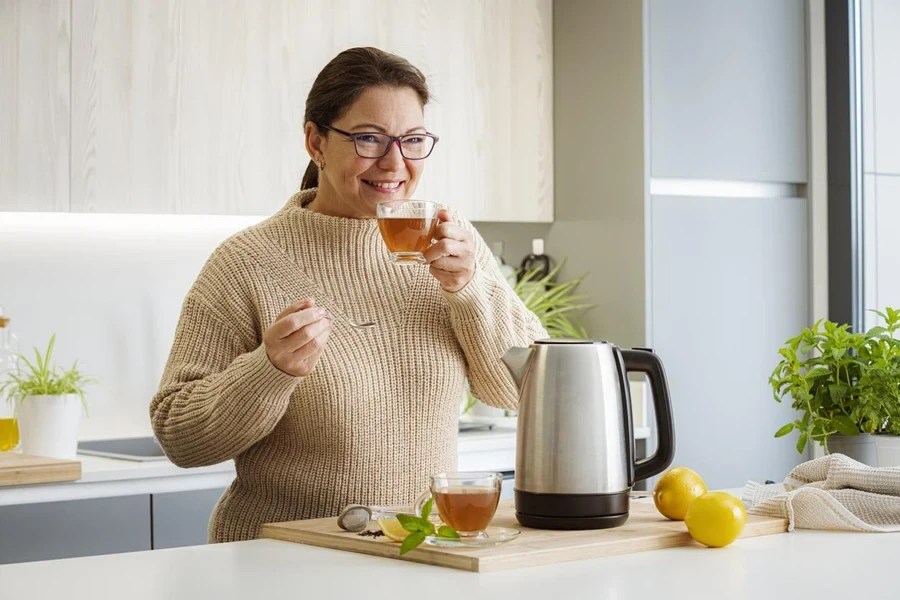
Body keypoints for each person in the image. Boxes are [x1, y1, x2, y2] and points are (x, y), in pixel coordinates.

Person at [150, 47, 547, 543]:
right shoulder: (246, 262)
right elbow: (179, 437)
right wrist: (268, 371)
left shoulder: (448, 240)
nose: (395, 162)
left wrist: (470, 292)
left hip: (417, 553)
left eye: (413, 140)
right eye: (368, 139)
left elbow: (523, 392)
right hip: (283, 562)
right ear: (315, 141)